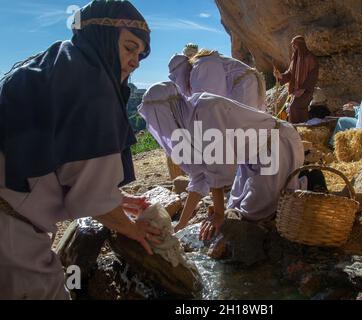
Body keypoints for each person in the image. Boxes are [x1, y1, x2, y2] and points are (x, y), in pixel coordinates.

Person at [0, 0, 161, 300]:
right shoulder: (93, 83)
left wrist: (116, 198)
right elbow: (94, 200)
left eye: (140, 54)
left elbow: (51, 157)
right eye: (129, 47)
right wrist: (132, 230)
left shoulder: (56, 63)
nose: (136, 61)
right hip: (10, 232)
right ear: (101, 35)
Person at [138, 82, 304, 240]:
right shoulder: (186, 121)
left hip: (276, 144)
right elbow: (200, 176)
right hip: (253, 155)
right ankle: (291, 183)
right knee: (236, 204)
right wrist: (181, 224)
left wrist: (218, 214)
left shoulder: (205, 109)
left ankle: (305, 182)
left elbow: (217, 165)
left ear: (165, 111)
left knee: (255, 213)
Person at [167, 50, 267, 111]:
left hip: (243, 84)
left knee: (243, 123)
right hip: (242, 83)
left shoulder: (200, 66)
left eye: (176, 77)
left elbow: (210, 101)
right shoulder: (196, 68)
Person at [274, 36, 319, 124]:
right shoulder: (294, 59)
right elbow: (290, 74)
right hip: (296, 91)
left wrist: (303, 89)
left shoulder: (310, 58)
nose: (294, 48)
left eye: (295, 45)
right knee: (297, 110)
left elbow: (312, 75)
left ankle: (296, 128)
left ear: (300, 45)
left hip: (306, 91)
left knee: (294, 107)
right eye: (293, 46)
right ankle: (301, 129)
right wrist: (280, 75)